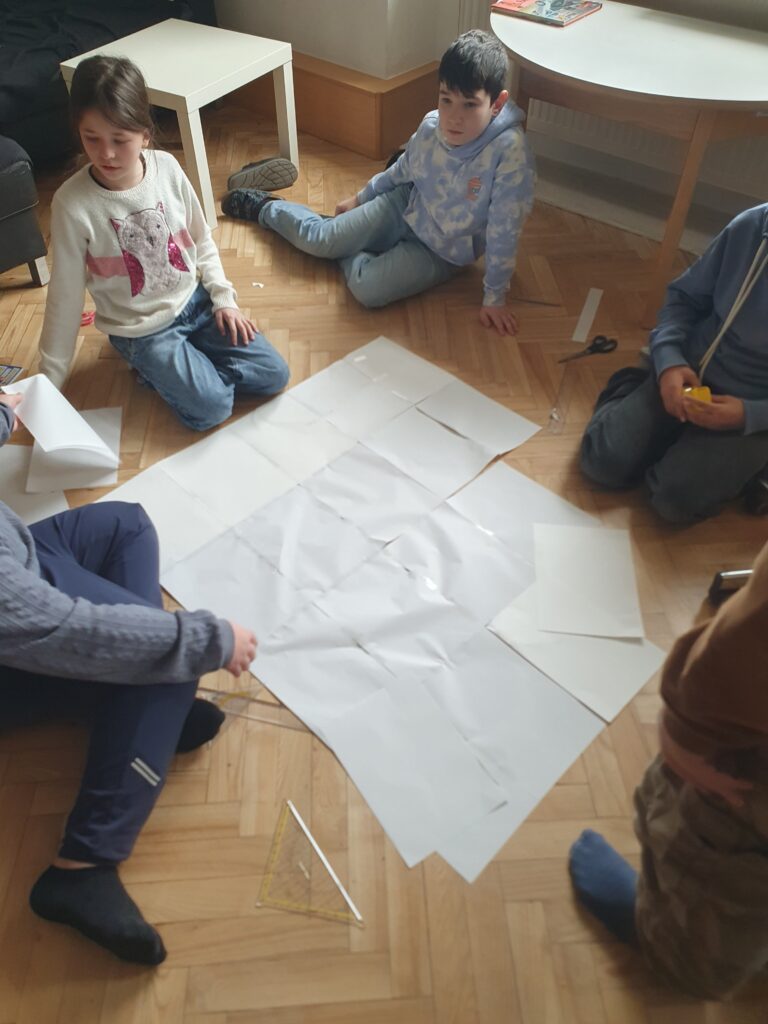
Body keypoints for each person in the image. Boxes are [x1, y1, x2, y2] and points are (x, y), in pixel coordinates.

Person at [0, 392, 258, 965]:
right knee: (165, 662)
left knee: (125, 525)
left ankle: (137, 716)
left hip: (20, 561)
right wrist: (207, 640)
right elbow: (60, 627)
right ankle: (82, 867)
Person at [222, 30, 536, 336]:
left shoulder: (510, 153)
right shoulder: (432, 126)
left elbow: (504, 231)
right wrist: (362, 198)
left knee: (367, 288)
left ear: (497, 103)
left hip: (443, 251)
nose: (454, 117)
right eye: (446, 100)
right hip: (404, 203)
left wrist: (494, 297)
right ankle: (264, 207)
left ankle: (343, 244)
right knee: (319, 239)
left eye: (470, 104)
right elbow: (402, 169)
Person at [37, 56, 290, 431]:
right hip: (141, 332)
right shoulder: (71, 205)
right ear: (78, 132)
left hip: (197, 304)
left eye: (120, 140)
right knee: (212, 409)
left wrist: (224, 300)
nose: (106, 154)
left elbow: (201, 240)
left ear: (145, 134)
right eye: (92, 138)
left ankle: (186, 368)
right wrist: (48, 384)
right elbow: (64, 299)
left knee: (274, 374)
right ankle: (159, 367)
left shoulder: (167, 168)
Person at [569, 540, 768, 1000]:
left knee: (713, 867)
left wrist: (687, 733)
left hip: (743, 763)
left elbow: (743, 649)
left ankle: (672, 949)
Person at [580, 203, 768, 523]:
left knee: (673, 500)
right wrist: (669, 362)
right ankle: (633, 384)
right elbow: (684, 298)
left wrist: (749, 415)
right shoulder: (750, 226)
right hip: (692, 370)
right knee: (602, 462)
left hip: (754, 408)